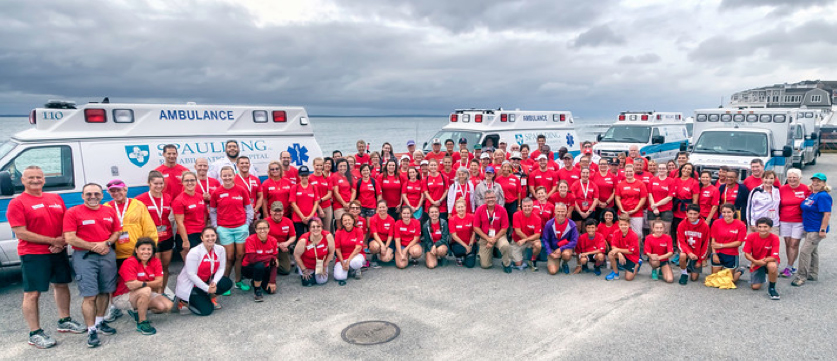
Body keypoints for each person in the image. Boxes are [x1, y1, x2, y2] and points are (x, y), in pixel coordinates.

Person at [9, 166, 85, 348]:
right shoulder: (17, 203)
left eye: (39, 177)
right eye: (31, 178)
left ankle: (64, 320)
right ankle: (35, 333)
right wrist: (53, 241)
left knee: (61, 285)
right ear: (22, 181)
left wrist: (63, 242)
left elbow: (66, 223)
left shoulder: (55, 198)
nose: (35, 180)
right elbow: (21, 233)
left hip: (57, 251)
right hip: (33, 254)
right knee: (32, 293)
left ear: (44, 179)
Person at [63, 183, 122, 348]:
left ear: (102, 195)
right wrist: (94, 246)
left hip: (107, 254)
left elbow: (117, 231)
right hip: (85, 256)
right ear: (82, 196)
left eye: (96, 193)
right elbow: (70, 238)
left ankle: (100, 321)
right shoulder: (73, 212)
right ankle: (91, 331)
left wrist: (107, 243)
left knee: (105, 291)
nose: (93, 197)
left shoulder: (109, 210)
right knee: (89, 295)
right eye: (88, 194)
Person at [104, 178, 157, 322]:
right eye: (113, 191)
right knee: (114, 282)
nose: (116, 193)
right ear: (109, 192)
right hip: (114, 253)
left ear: (125, 190)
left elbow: (149, 227)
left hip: (135, 253)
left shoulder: (138, 205)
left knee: (135, 280)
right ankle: (115, 307)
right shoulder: (106, 207)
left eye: (119, 190)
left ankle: (136, 306)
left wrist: (151, 247)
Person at [112, 238, 173, 335]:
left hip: (143, 292)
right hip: (122, 296)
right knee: (146, 290)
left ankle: (138, 309)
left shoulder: (155, 261)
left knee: (166, 306)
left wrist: (141, 283)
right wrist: (148, 284)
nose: (146, 252)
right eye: (143, 249)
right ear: (136, 250)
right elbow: (131, 286)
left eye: (149, 249)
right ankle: (142, 322)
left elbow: (160, 283)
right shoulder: (129, 262)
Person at [209, 166, 253, 294]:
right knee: (229, 257)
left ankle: (238, 281)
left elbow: (248, 208)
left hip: (240, 228)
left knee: (240, 255)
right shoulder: (216, 192)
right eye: (224, 175)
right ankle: (225, 282)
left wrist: (246, 223)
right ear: (221, 177)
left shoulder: (241, 190)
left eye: (229, 175)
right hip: (225, 229)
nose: (227, 178)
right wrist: (216, 226)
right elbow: (212, 211)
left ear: (234, 176)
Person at [175, 227, 232, 316]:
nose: (210, 238)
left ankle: (209, 297)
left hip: (207, 281)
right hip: (192, 285)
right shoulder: (194, 252)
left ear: (216, 236)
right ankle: (184, 301)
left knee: (226, 283)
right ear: (202, 238)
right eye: (207, 236)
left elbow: (221, 268)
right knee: (206, 311)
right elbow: (191, 275)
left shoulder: (220, 249)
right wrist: (207, 288)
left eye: (212, 235)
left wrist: (214, 282)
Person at [135, 171, 174, 295]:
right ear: (149, 183)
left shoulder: (167, 197)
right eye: (155, 183)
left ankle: (162, 291)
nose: (158, 186)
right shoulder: (140, 200)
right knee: (155, 268)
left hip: (167, 236)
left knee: (166, 267)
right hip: (150, 239)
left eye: (161, 183)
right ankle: (153, 293)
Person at [793, 173, 832, 287]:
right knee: (813, 251)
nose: (815, 183)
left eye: (819, 181)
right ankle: (813, 274)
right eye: (814, 180)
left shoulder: (823, 196)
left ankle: (801, 277)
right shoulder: (812, 195)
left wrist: (823, 230)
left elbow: (827, 214)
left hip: (816, 229)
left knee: (805, 252)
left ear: (824, 183)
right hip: (809, 228)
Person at [778, 168, 810, 277]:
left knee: (794, 244)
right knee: (788, 244)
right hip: (784, 220)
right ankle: (790, 265)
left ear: (799, 178)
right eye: (790, 177)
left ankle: (789, 267)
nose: (792, 180)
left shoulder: (805, 189)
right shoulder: (782, 189)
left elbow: (811, 203)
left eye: (794, 177)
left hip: (799, 221)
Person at [472, 190, 511, 272]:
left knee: (505, 245)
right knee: (485, 265)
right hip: (485, 237)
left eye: (492, 197)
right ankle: (486, 254)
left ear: (496, 198)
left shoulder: (502, 210)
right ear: (484, 199)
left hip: (499, 236)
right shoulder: (479, 210)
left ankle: (506, 263)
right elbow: (476, 227)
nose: (490, 199)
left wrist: (494, 239)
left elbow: (504, 228)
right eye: (488, 198)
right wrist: (488, 239)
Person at [173, 172, 208, 261]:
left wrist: (204, 231)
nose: (190, 183)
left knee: (202, 264)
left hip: (200, 234)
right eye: (186, 181)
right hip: (188, 235)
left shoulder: (200, 196)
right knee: (191, 267)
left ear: (196, 181)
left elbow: (204, 214)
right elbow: (179, 222)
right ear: (182, 183)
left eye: (192, 180)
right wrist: (185, 241)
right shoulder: (179, 200)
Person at [744, 218, 781, 300]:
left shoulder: (774, 238)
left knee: (772, 266)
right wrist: (755, 261)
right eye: (760, 227)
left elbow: (774, 256)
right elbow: (746, 253)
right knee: (755, 287)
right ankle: (759, 275)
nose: (762, 229)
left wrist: (759, 262)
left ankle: (771, 288)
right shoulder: (751, 236)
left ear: (770, 228)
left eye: (765, 227)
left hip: (768, 260)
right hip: (757, 261)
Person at [242, 220, 278, 301]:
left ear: (269, 229)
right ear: (256, 230)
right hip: (249, 268)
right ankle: (257, 290)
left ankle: (256, 281)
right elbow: (252, 260)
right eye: (259, 228)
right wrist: (271, 257)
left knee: (271, 290)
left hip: (264, 268)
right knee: (259, 265)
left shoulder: (273, 240)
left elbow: (274, 263)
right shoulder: (250, 240)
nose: (262, 230)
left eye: (265, 228)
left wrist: (272, 281)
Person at [709, 204, 746, 283]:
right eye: (724, 212)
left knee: (728, 282)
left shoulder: (741, 225)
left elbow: (739, 242)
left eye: (729, 212)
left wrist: (721, 245)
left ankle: (739, 272)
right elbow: (713, 240)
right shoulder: (716, 223)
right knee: (714, 280)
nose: (726, 214)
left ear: (734, 212)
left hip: (731, 254)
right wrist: (714, 254)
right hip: (718, 253)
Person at [294, 218, 335, 286]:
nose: (316, 228)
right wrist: (304, 269)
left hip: (320, 263)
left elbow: (331, 252)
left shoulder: (328, 236)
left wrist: (325, 265)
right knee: (308, 282)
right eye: (313, 227)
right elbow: (296, 256)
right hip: (307, 264)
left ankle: (315, 273)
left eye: (318, 226)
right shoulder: (303, 240)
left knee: (321, 281)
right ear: (309, 228)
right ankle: (300, 269)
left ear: (322, 227)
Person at [676, 204, 710, 285]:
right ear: (686, 213)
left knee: (694, 278)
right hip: (687, 251)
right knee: (682, 256)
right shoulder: (682, 224)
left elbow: (706, 245)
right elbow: (680, 242)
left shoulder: (705, 226)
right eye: (690, 213)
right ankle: (684, 273)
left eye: (695, 214)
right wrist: (689, 252)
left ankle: (690, 266)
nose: (692, 216)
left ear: (699, 214)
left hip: (697, 253)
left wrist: (700, 260)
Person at [542, 203, 577, 275]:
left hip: (565, 249)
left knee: (566, 254)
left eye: (562, 211)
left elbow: (574, 241)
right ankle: (554, 260)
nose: (560, 213)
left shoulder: (571, 224)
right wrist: (550, 253)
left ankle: (564, 263)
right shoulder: (549, 224)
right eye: (558, 211)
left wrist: (561, 249)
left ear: (566, 212)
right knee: (552, 271)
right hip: (553, 250)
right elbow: (545, 239)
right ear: (554, 212)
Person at [605, 214, 641, 281]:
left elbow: (631, 251)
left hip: (632, 256)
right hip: (622, 253)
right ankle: (615, 273)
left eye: (625, 224)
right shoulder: (616, 233)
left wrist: (618, 250)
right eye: (621, 224)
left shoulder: (633, 235)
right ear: (618, 225)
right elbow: (613, 246)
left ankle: (637, 264)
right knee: (611, 254)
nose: (623, 226)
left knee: (628, 278)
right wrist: (619, 253)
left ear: (629, 224)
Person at [615, 164, 648, 237]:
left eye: (630, 171)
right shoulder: (620, 185)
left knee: (638, 234)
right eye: (627, 171)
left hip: (637, 213)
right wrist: (622, 210)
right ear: (624, 173)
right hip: (623, 213)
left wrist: (636, 209)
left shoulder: (640, 184)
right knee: (622, 233)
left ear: (634, 172)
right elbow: (617, 198)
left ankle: (637, 248)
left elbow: (643, 198)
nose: (629, 173)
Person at [511, 197, 542, 272]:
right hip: (517, 241)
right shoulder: (516, 215)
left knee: (538, 245)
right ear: (521, 207)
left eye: (529, 206)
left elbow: (537, 235)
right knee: (518, 264)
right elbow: (518, 231)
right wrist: (526, 240)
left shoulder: (537, 218)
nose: (527, 208)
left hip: (529, 241)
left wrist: (526, 240)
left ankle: (532, 259)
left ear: (532, 207)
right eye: (525, 206)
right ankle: (514, 254)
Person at [333, 213, 365, 285]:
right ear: (342, 222)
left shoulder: (358, 230)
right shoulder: (338, 232)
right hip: (343, 256)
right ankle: (350, 270)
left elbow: (358, 248)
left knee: (356, 262)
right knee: (340, 277)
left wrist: (348, 261)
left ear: (353, 221)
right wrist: (342, 262)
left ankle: (356, 269)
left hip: (356, 255)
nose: (347, 222)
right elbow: (337, 249)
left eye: (349, 220)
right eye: (345, 220)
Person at [265, 202, 296, 275]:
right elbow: (263, 238)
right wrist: (278, 245)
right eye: (275, 211)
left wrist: (287, 243)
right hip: (269, 247)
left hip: (283, 246)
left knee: (286, 270)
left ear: (283, 211)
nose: (277, 213)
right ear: (270, 211)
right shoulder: (265, 222)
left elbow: (293, 236)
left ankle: (273, 264)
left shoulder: (288, 221)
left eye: (280, 211)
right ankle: (270, 264)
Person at [290, 166, 321, 237]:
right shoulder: (295, 187)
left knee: (313, 237)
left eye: (306, 175)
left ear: (309, 175)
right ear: (299, 176)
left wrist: (310, 216)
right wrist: (302, 217)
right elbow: (293, 203)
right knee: (300, 238)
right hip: (298, 218)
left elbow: (316, 203)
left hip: (312, 218)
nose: (304, 177)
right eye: (302, 175)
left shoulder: (313, 187)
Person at [234, 156, 263, 228]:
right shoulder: (233, 180)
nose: (244, 165)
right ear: (237, 165)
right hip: (241, 215)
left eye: (246, 163)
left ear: (249, 165)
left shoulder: (255, 179)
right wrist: (247, 211)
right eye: (242, 163)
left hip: (255, 214)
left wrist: (255, 210)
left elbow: (260, 196)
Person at [647, 163, 675, 235]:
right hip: (652, 209)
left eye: (663, 168)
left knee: (665, 232)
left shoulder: (671, 181)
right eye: (660, 168)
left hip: (666, 209)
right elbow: (650, 194)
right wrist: (654, 207)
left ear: (666, 170)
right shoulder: (652, 180)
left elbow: (669, 197)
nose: (661, 170)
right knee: (652, 231)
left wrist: (656, 205)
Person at [672, 163, 699, 235]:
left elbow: (695, 200)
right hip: (675, 208)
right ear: (681, 169)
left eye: (689, 169)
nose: (686, 170)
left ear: (691, 171)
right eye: (685, 168)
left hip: (686, 210)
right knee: (675, 229)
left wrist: (692, 212)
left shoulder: (694, 182)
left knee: (685, 230)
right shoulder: (675, 180)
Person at [448, 199, 477, 267]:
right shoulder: (452, 219)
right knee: (458, 250)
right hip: (458, 244)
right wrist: (466, 246)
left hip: (470, 243)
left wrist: (470, 245)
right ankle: (459, 257)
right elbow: (454, 236)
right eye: (458, 207)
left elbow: (474, 232)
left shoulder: (472, 217)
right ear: (455, 208)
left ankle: (467, 255)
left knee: (470, 265)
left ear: (465, 207)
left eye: (462, 207)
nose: (460, 209)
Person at [368, 200, 396, 267]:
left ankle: (392, 253)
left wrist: (385, 246)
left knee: (385, 259)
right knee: (375, 246)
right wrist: (382, 245)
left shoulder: (391, 220)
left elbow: (390, 236)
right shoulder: (373, 219)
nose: (382, 209)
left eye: (383, 207)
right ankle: (374, 256)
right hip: (376, 240)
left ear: (387, 208)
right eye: (380, 207)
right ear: (377, 208)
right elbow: (375, 234)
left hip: (387, 241)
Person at [310, 157, 334, 233]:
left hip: (327, 206)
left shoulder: (327, 178)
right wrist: (318, 207)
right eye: (317, 165)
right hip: (315, 207)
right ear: (313, 165)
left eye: (321, 165)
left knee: (327, 229)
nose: (319, 167)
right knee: (316, 229)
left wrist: (321, 200)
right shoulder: (310, 178)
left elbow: (329, 194)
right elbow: (311, 195)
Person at [497, 162, 522, 227]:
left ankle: (512, 234)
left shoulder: (515, 179)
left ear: (510, 168)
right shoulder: (498, 179)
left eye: (508, 167)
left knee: (513, 219)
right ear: (501, 168)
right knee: (504, 220)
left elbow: (519, 192)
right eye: (504, 167)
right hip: (502, 203)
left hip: (513, 203)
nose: (506, 168)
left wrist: (519, 205)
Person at [331, 159, 354, 228]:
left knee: (350, 225)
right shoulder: (334, 176)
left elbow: (353, 191)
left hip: (349, 205)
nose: (343, 168)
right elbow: (336, 192)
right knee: (340, 226)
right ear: (337, 167)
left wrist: (350, 202)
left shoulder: (349, 176)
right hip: (339, 205)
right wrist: (344, 204)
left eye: (344, 166)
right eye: (340, 166)